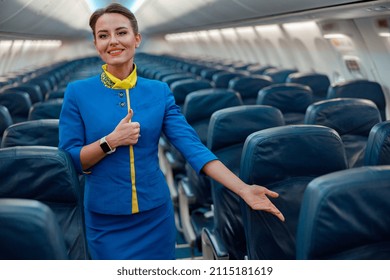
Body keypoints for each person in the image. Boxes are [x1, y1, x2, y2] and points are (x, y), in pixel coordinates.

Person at [59, 2, 284, 260]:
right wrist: (110, 142)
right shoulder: (78, 93)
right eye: (103, 35)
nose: (113, 41)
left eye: (121, 32)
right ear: (96, 44)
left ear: (137, 39)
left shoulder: (158, 91)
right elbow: (71, 161)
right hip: (105, 218)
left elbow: (192, 147)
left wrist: (242, 188)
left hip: (155, 214)